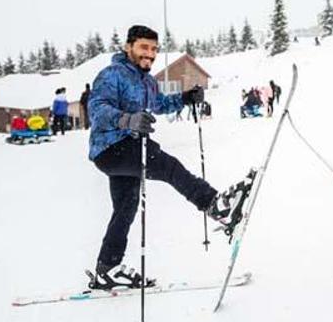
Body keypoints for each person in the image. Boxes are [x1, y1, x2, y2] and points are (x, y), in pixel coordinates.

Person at [87, 25, 254, 290]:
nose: (150, 54)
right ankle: (215, 205)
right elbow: (97, 109)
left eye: (154, 49)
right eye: (144, 47)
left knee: (126, 206)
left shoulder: (147, 82)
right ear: (128, 47)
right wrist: (127, 119)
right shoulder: (112, 74)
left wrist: (186, 98)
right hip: (110, 147)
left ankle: (107, 268)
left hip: (127, 149)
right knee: (168, 166)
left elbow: (161, 104)